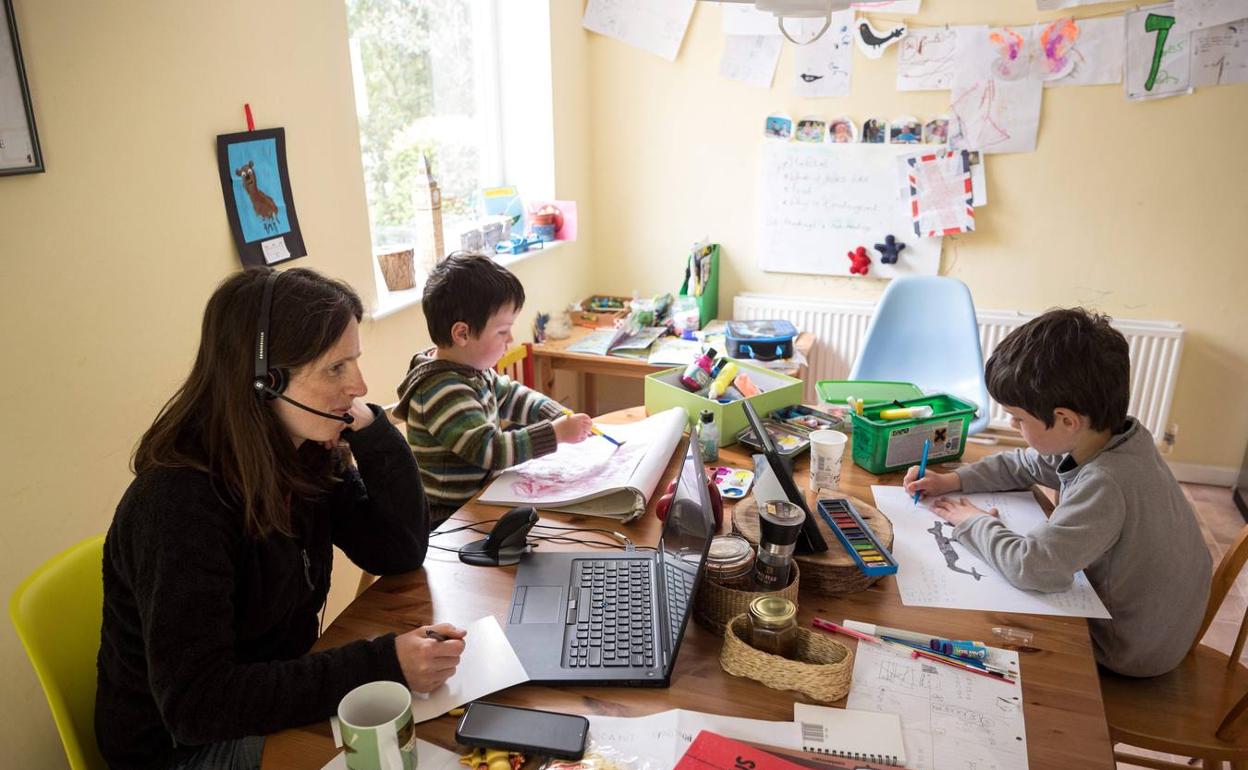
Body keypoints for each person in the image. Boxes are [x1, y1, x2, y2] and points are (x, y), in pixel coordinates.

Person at [96, 268, 465, 770]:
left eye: (354, 361)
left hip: (267, 699)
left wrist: (377, 433)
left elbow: (397, 549)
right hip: (183, 750)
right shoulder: (177, 503)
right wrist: (383, 664)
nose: (358, 386)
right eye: (335, 369)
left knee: (445, 738)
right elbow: (197, 706)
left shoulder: (303, 456)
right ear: (264, 382)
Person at [905, 308, 1211, 678]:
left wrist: (972, 521)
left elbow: (1032, 568)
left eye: (1019, 419)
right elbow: (1028, 464)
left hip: (1128, 649)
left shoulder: (1106, 480)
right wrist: (952, 481)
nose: (1014, 426)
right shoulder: (1113, 436)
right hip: (1158, 625)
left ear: (1066, 420)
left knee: (983, 635)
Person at [394, 252, 593, 524]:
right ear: (462, 334)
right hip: (450, 518)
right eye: (502, 331)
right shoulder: (442, 390)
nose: (510, 339)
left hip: (481, 499)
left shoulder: (470, 369)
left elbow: (511, 394)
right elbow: (490, 450)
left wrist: (555, 413)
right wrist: (554, 434)